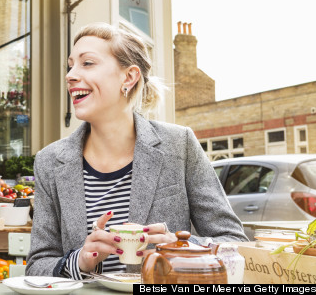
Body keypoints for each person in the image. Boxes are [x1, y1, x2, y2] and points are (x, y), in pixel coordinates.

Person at [26, 22, 247, 279]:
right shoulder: (49, 162)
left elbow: (234, 244)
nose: (70, 74)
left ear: (128, 77)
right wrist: (80, 260)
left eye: (87, 63)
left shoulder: (179, 144)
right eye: (70, 64)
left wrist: (177, 246)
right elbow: (38, 265)